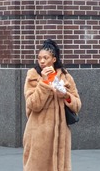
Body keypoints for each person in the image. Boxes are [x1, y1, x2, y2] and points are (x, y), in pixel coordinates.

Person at [23, 39, 80, 171]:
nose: (42, 61)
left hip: (61, 135)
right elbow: (33, 104)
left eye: (45, 58)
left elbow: (77, 105)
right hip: (38, 134)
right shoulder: (33, 76)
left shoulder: (66, 77)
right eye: (39, 58)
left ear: (54, 59)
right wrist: (43, 83)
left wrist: (65, 95)